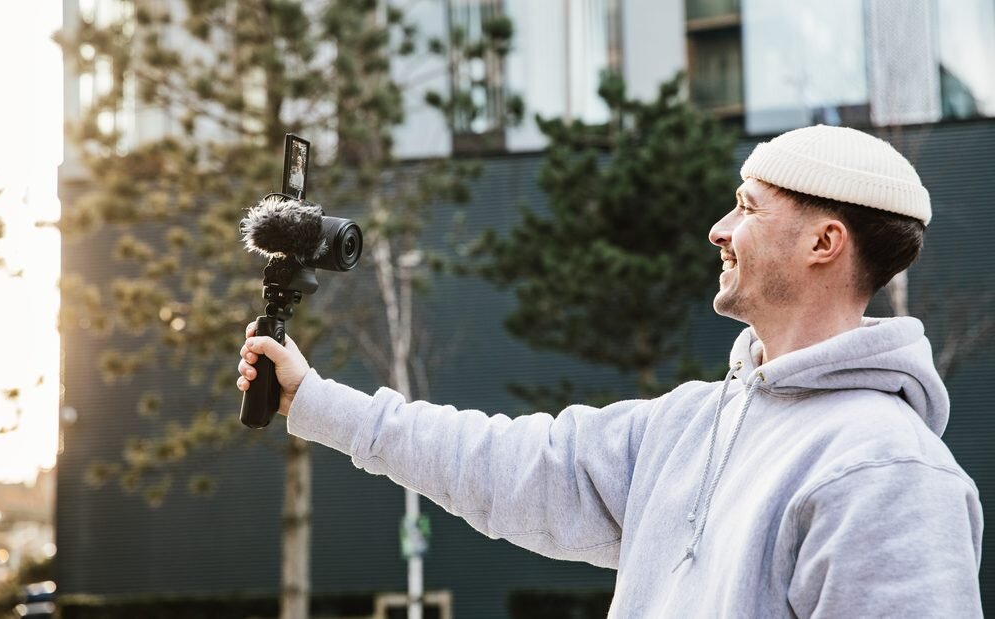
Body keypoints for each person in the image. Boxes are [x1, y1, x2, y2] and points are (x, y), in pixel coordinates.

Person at [236, 125, 983, 617]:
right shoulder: (689, 424)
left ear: (824, 242)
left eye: (747, 208)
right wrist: (315, 398)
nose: (719, 229)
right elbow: (506, 466)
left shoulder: (888, 472)